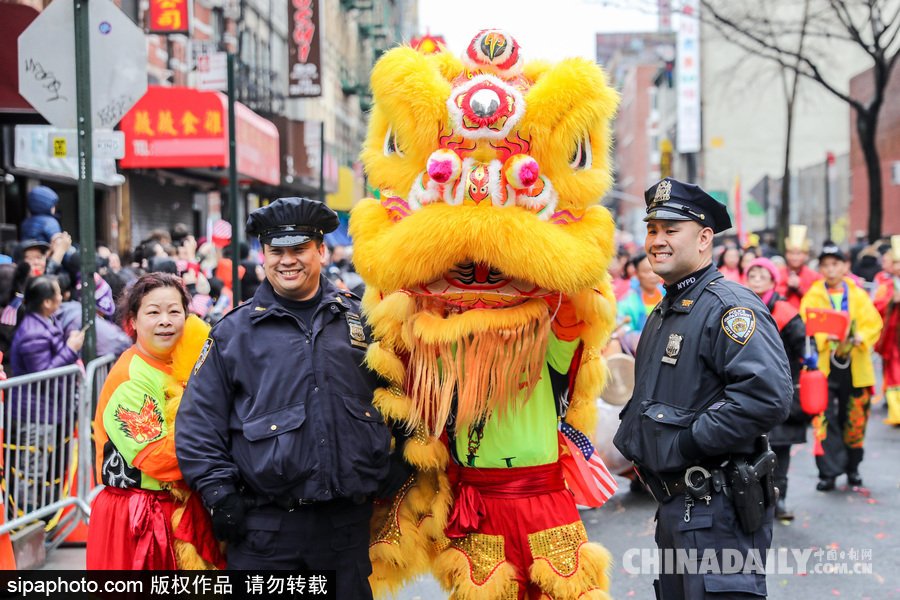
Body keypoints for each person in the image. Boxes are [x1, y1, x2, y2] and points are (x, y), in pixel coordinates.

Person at [175, 198, 396, 594]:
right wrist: (220, 495)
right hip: (266, 531)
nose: (287, 261)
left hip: (345, 530)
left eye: (298, 250)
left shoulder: (362, 320)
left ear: (321, 251)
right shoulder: (234, 332)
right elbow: (197, 426)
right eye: (276, 251)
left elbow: (400, 394)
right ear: (263, 255)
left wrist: (397, 462)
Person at [613, 178, 792, 599]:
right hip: (680, 508)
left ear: (705, 238)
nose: (657, 240)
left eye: (671, 230)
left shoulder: (730, 306)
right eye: (652, 229)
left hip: (718, 509)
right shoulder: (667, 309)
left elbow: (766, 397)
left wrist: (688, 444)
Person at [86, 273, 223, 570]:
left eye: (175, 311)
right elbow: (159, 458)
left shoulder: (184, 361)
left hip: (177, 506)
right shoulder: (131, 378)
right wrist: (222, 444)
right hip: (140, 514)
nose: (165, 321)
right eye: (153, 312)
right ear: (132, 321)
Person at [799, 243, 883, 490]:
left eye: (835, 263)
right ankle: (828, 472)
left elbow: (873, 323)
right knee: (823, 419)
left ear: (845, 266)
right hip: (825, 367)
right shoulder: (814, 295)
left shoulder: (857, 294)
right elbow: (806, 326)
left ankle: (852, 468)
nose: (831, 269)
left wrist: (862, 337)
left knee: (855, 418)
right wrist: (827, 337)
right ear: (821, 268)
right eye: (825, 264)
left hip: (854, 364)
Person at [8, 275, 84, 513]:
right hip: (35, 414)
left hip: (48, 411)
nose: (62, 297)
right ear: (47, 303)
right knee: (32, 470)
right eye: (58, 294)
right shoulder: (33, 332)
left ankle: (42, 520)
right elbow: (44, 373)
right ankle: (28, 520)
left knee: (44, 469)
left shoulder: (44, 321)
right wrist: (70, 349)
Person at [745, 257, 811, 520]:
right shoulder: (739, 305)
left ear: (774, 280)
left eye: (763, 273)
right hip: (749, 390)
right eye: (752, 273)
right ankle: (752, 501)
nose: (757, 277)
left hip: (782, 389)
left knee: (779, 449)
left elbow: (802, 348)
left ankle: (778, 499)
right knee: (749, 448)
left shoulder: (786, 311)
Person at [875, 238, 900, 425]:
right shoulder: (885, 282)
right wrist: (893, 299)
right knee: (893, 373)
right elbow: (876, 305)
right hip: (892, 337)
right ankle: (896, 412)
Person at [616, 253, 664, 335]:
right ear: (636, 274)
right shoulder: (627, 303)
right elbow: (624, 332)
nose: (653, 275)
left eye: (654, 270)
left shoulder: (667, 293)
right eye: (647, 271)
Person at [776, 225, 823, 308]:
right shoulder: (778, 274)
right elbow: (773, 294)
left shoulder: (814, 276)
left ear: (806, 255)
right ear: (786, 254)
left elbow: (818, 298)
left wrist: (799, 288)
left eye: (798, 254)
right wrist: (788, 288)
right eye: (791, 253)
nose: (795, 257)